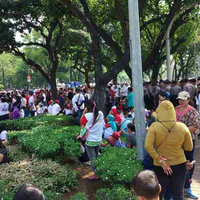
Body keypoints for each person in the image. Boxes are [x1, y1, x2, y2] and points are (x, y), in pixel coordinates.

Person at [145, 100, 193, 200]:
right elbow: (189, 147)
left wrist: (161, 160)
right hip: (179, 163)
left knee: (159, 194)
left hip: (160, 165)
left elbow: (148, 146)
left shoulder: (154, 127)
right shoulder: (182, 127)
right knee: (178, 194)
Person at [176, 91, 200, 199]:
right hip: (176, 141)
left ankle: (187, 187)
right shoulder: (176, 108)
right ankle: (179, 186)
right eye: (180, 99)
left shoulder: (193, 111)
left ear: (189, 99)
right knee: (179, 161)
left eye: (183, 99)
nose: (181, 101)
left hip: (188, 140)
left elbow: (195, 126)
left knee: (189, 161)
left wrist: (181, 131)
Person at [80, 100, 104, 179]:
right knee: (96, 156)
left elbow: (81, 124)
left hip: (90, 142)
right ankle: (99, 171)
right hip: (98, 140)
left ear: (87, 107)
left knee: (93, 158)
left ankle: (96, 174)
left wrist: (84, 111)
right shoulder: (101, 114)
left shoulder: (87, 116)